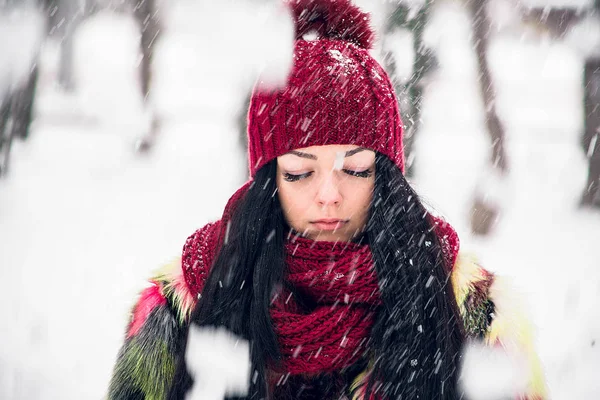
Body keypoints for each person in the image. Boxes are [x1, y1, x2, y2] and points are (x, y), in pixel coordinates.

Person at [107, 1, 548, 399]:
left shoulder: (472, 314)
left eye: (355, 169)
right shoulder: (184, 306)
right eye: (299, 173)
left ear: (387, 176)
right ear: (267, 181)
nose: (330, 196)